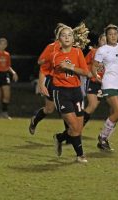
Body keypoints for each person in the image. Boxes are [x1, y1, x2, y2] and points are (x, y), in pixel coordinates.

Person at [49, 25, 91, 163]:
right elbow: (59, 65)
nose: (67, 37)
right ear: (59, 39)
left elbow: (86, 72)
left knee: (78, 128)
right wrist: (67, 66)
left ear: (73, 39)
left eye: (69, 35)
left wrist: (71, 67)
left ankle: (59, 138)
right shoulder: (55, 55)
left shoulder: (78, 52)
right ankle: (80, 155)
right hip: (61, 92)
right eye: (64, 35)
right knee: (74, 127)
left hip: (76, 92)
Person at [92, 24, 118, 151]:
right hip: (109, 84)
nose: (113, 36)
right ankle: (102, 137)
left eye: (115, 34)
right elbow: (94, 66)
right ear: (107, 36)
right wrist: (97, 76)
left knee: (115, 113)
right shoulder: (102, 50)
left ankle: (104, 142)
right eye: (110, 34)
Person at [28, 23, 65, 134]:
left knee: (66, 107)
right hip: (52, 80)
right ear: (58, 34)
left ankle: (70, 134)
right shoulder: (52, 46)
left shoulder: (71, 47)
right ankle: (35, 120)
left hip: (66, 81)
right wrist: (52, 56)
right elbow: (40, 61)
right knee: (49, 109)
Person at [83, 33, 107, 126]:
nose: (105, 42)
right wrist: (89, 73)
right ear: (99, 41)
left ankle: (69, 132)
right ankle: (74, 130)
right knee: (92, 105)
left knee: (93, 108)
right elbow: (84, 64)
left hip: (102, 84)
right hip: (92, 81)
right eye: (103, 40)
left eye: (107, 41)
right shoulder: (93, 52)